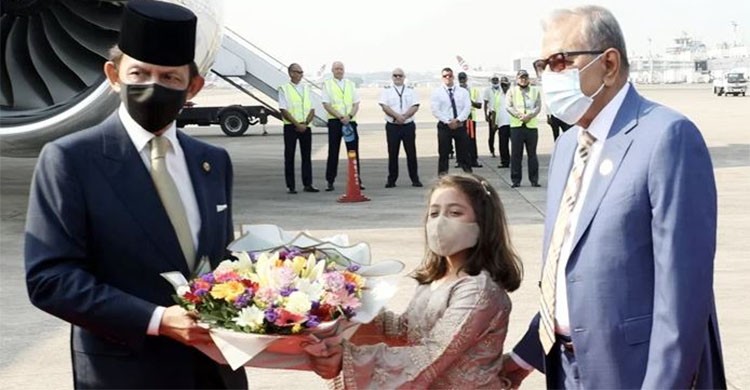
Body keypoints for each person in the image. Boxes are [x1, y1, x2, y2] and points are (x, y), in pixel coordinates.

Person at [23, 1, 248, 388]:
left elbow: (218, 260)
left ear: (193, 86)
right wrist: (158, 320)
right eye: (139, 74)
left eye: (169, 78)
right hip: (126, 373)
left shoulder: (212, 161)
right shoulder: (70, 159)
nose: (152, 87)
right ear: (113, 75)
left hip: (216, 372)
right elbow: (51, 280)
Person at [500, 5, 725, 389]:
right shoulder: (568, 145)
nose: (548, 77)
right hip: (567, 370)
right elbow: (565, 271)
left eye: (560, 61)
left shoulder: (666, 138)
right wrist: (525, 355)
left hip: (633, 371)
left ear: (608, 64)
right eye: (543, 66)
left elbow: (683, 297)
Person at [304, 173, 523, 388]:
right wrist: (345, 301)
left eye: (455, 212)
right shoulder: (435, 280)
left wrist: (349, 359)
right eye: (434, 213)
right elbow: (403, 331)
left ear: (483, 222)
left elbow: (433, 353)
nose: (440, 223)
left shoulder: (478, 290)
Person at [322, 61, 363, 192]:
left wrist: (349, 116)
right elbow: (326, 104)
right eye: (336, 69)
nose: (339, 71)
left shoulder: (350, 84)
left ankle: (357, 179)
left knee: (353, 152)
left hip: (350, 121)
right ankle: (330, 180)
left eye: (341, 69)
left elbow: (356, 104)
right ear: (332, 71)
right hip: (335, 121)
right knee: (333, 152)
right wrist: (340, 117)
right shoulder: (327, 85)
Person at [378, 68, 423, 188]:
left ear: (404, 77)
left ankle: (415, 179)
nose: (398, 78)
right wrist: (397, 116)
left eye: (400, 76)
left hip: (408, 125)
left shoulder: (411, 90)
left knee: (411, 153)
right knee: (393, 153)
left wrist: (404, 117)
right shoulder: (387, 91)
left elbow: (415, 105)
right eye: (395, 75)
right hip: (393, 126)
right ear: (392, 77)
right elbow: (384, 106)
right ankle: (391, 179)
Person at [278, 63, 319, 194]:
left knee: (306, 156)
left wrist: (306, 124)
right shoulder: (284, 89)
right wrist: (297, 124)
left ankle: (308, 183)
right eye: (298, 72)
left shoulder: (306, 88)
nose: (301, 75)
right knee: (289, 156)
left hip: (305, 125)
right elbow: (283, 110)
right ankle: (291, 185)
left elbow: (312, 108)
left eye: (302, 72)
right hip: (291, 126)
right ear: (291, 73)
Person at [431, 67, 473, 175]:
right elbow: (435, 110)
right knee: (443, 154)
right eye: (445, 76)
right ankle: (442, 178)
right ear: (442, 78)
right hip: (445, 126)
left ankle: (469, 177)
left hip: (460, 126)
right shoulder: (437, 92)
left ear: (453, 76)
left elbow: (467, 107)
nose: (448, 78)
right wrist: (448, 121)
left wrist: (458, 120)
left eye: (450, 75)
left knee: (464, 153)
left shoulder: (463, 92)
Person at [506, 69, 542, 188]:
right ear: (517, 79)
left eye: (525, 77)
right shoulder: (512, 91)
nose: (523, 79)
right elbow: (509, 106)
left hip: (531, 126)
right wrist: (519, 115)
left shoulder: (535, 91)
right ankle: (516, 180)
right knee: (516, 155)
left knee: (532, 155)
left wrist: (529, 116)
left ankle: (534, 179)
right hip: (517, 126)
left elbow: (538, 106)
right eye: (521, 77)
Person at [458, 72, 483, 167]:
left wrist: (471, 102)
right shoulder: (456, 90)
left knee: (471, 140)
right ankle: (461, 161)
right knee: (460, 140)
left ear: (466, 79)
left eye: (463, 78)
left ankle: (473, 160)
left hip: (470, 118)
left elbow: (479, 105)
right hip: (460, 118)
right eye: (460, 79)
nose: (462, 80)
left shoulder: (473, 90)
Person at [489, 76, 512, 168]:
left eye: (506, 85)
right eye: (502, 85)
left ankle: (515, 161)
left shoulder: (513, 94)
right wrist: (494, 123)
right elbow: (494, 110)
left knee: (515, 145)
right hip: (502, 123)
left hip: (513, 123)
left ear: (509, 85)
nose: (504, 87)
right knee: (503, 144)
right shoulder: (497, 95)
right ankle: (505, 162)